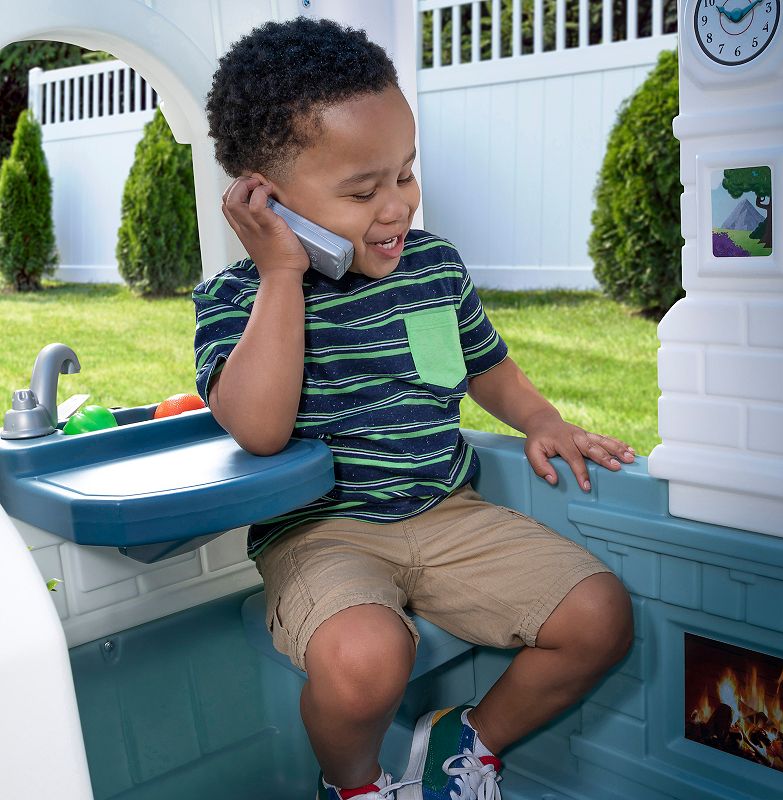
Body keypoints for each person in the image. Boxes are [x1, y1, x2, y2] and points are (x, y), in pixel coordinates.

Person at [195, 17, 634, 800]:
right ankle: (356, 786)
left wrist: (539, 418)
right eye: (363, 191)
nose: (397, 205)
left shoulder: (432, 265)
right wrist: (281, 276)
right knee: (365, 661)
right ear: (266, 199)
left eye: (404, 173)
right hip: (322, 532)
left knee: (598, 616)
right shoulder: (240, 298)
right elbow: (259, 430)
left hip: (445, 510)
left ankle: (466, 744)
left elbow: (482, 363)